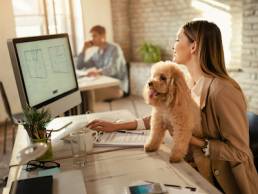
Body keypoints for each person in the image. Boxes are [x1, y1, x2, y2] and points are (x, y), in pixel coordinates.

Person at [87, 20, 258, 194]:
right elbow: (164, 117)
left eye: (177, 39)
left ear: (194, 47)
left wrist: (190, 139)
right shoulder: (188, 82)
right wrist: (118, 126)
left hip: (220, 183)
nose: (173, 45)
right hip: (193, 167)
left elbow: (240, 153)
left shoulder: (223, 91)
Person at [77, 25, 128, 101]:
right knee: (84, 93)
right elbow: (80, 66)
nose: (92, 39)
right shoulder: (97, 52)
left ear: (103, 36)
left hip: (117, 87)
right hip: (104, 83)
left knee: (86, 95)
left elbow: (112, 69)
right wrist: (84, 50)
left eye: (94, 36)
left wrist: (97, 72)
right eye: (91, 36)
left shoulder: (115, 48)